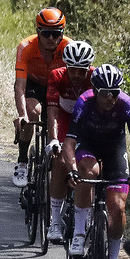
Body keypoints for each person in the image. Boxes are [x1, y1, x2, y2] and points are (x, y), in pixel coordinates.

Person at [62, 64, 130, 259]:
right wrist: (71, 169)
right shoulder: (84, 101)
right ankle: (79, 233)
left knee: (117, 208)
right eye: (105, 93)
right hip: (88, 146)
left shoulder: (125, 103)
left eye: (115, 92)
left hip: (114, 150)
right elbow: (69, 142)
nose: (110, 98)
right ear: (95, 91)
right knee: (87, 173)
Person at [12, 7, 72, 187]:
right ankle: (22, 161)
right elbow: (20, 85)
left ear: (62, 33)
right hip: (34, 84)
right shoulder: (26, 47)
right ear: (38, 31)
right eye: (46, 34)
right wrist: (22, 115)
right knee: (32, 113)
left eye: (56, 34)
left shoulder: (69, 47)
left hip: (57, 85)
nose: (51, 39)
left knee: (59, 119)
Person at [43, 40, 94, 242]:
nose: (76, 75)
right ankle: (55, 221)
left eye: (81, 71)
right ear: (66, 66)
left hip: (87, 123)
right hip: (64, 119)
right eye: (72, 70)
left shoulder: (94, 78)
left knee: (92, 165)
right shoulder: (56, 76)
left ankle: (88, 213)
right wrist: (54, 139)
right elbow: (53, 112)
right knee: (61, 161)